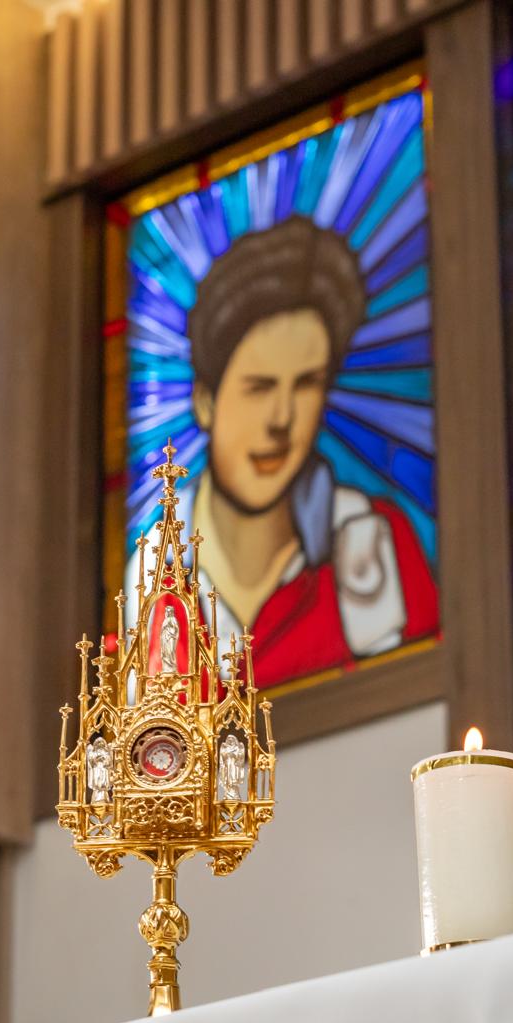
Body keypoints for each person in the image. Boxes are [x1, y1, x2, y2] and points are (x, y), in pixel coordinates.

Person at [140, 216, 438, 689]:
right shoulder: (149, 583)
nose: (281, 419)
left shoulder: (377, 548)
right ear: (205, 400)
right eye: (259, 388)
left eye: (305, 385)